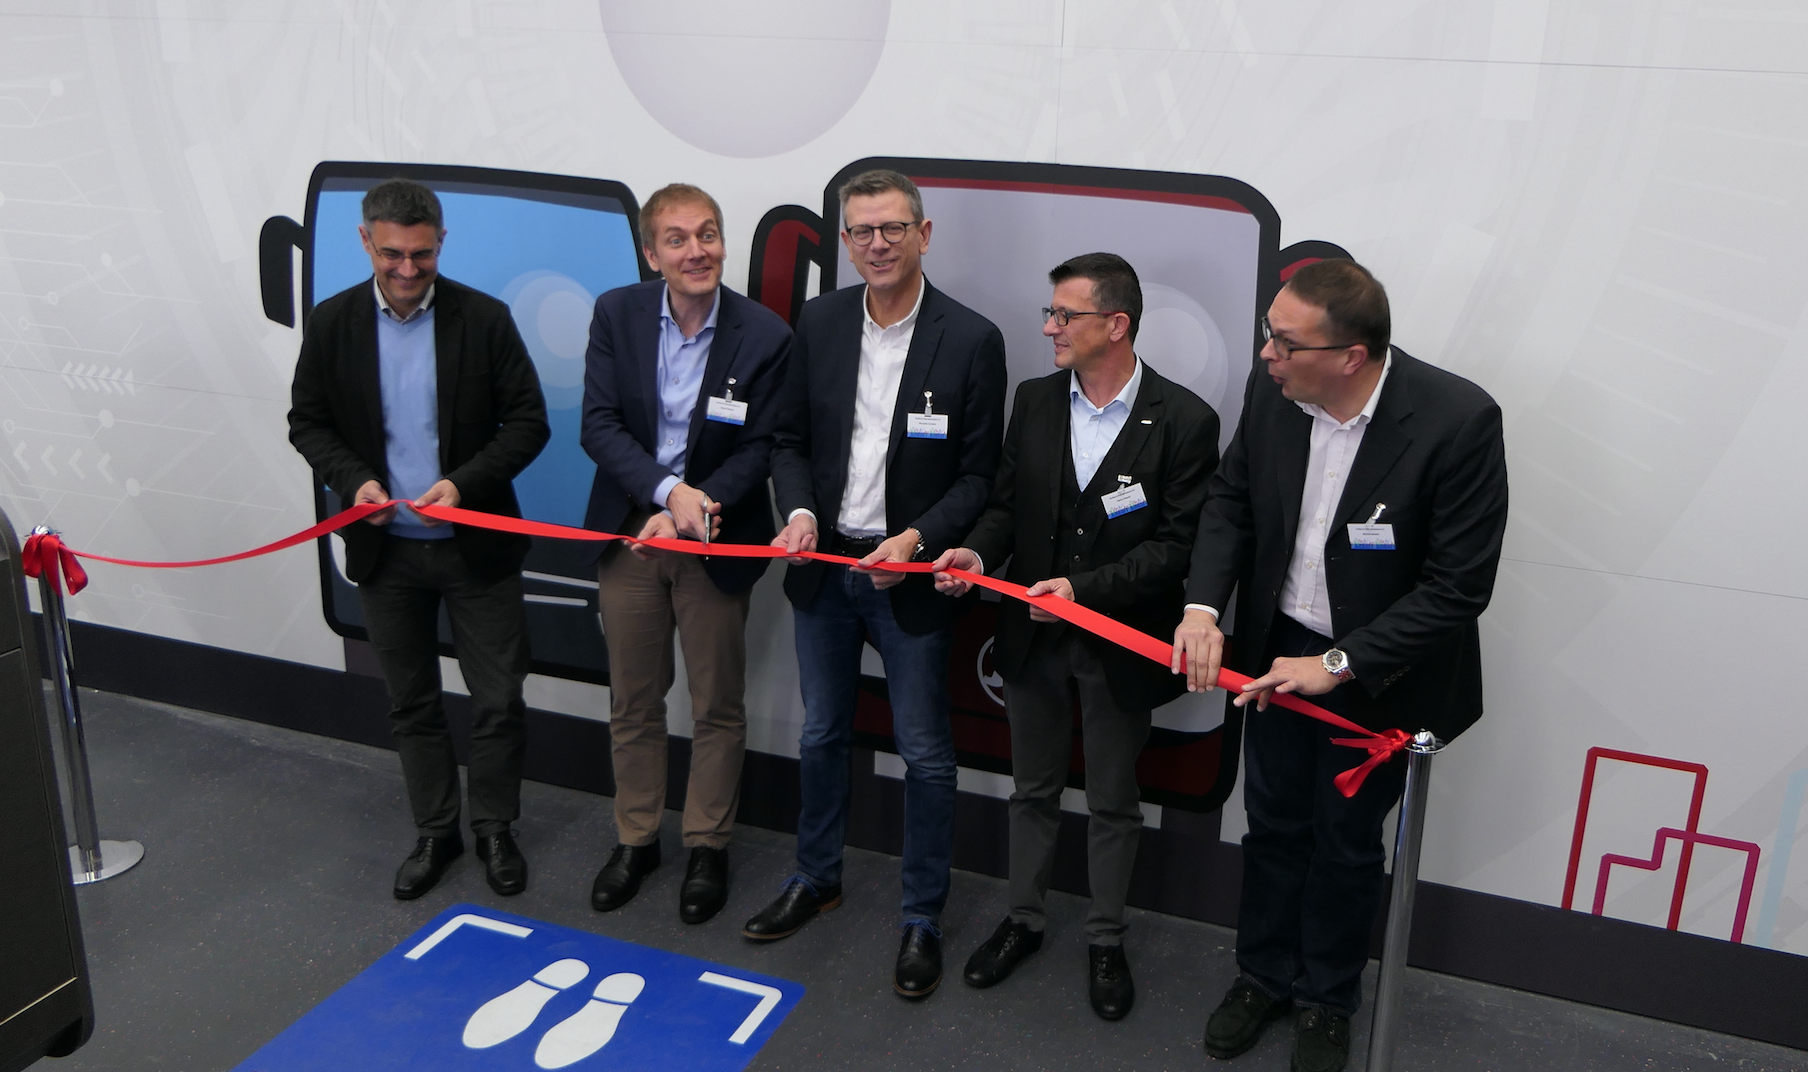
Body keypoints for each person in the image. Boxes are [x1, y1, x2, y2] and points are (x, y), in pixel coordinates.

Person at [1171, 259, 1508, 1072]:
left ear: (1351, 356)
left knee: (1349, 843)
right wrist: (1202, 608)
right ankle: (1262, 975)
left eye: (1286, 343)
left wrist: (1340, 661)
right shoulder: (1275, 395)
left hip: (1380, 672)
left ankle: (1327, 997)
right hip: (1277, 652)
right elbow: (1231, 501)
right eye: (1268, 334)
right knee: (1273, 823)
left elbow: (1458, 587)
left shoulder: (1457, 420)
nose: (1266, 354)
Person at [932, 253, 1220, 1021]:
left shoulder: (1184, 420)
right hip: (1031, 639)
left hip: (1121, 645)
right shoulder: (1033, 401)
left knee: (1114, 800)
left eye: (1066, 315)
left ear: (1116, 324)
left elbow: (1177, 547)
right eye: (1051, 313)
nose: (1050, 328)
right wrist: (978, 554)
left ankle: (1105, 938)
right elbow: (1004, 507)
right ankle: (1023, 920)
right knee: (1032, 788)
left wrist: (1083, 593)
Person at [744, 169, 1007, 1000]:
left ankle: (922, 914)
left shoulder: (972, 339)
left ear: (923, 235)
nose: (879, 244)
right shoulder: (820, 322)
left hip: (910, 579)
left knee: (925, 754)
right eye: (863, 231)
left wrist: (918, 539)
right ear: (846, 242)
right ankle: (815, 877)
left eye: (894, 228)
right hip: (825, 569)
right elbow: (789, 440)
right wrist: (798, 512)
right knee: (822, 733)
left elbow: (980, 477)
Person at [288, 178, 549, 900]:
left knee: (498, 699)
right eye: (392, 254)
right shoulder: (333, 323)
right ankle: (436, 831)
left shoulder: (485, 319)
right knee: (411, 702)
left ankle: (494, 828)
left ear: (441, 243)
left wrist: (463, 486)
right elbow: (307, 422)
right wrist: (354, 482)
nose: (408, 270)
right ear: (365, 241)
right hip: (386, 555)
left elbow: (529, 422)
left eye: (423, 255)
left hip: (476, 549)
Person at [578, 184, 792, 924]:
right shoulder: (617, 314)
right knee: (633, 701)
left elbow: (763, 447)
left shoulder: (765, 334)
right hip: (633, 534)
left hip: (715, 539)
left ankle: (707, 844)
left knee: (716, 705)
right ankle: (636, 839)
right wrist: (670, 495)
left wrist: (698, 508)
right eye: (677, 239)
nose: (696, 251)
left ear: (723, 243)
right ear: (652, 254)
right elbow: (599, 425)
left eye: (707, 234)